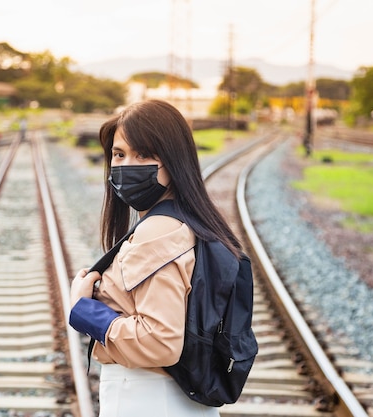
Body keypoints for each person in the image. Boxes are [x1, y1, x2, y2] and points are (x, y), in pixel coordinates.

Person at [69, 99, 243, 417]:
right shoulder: (186, 221)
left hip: (145, 400)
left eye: (144, 155)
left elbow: (161, 341)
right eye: (119, 154)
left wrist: (85, 310)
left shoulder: (159, 231)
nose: (127, 165)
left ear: (173, 161)